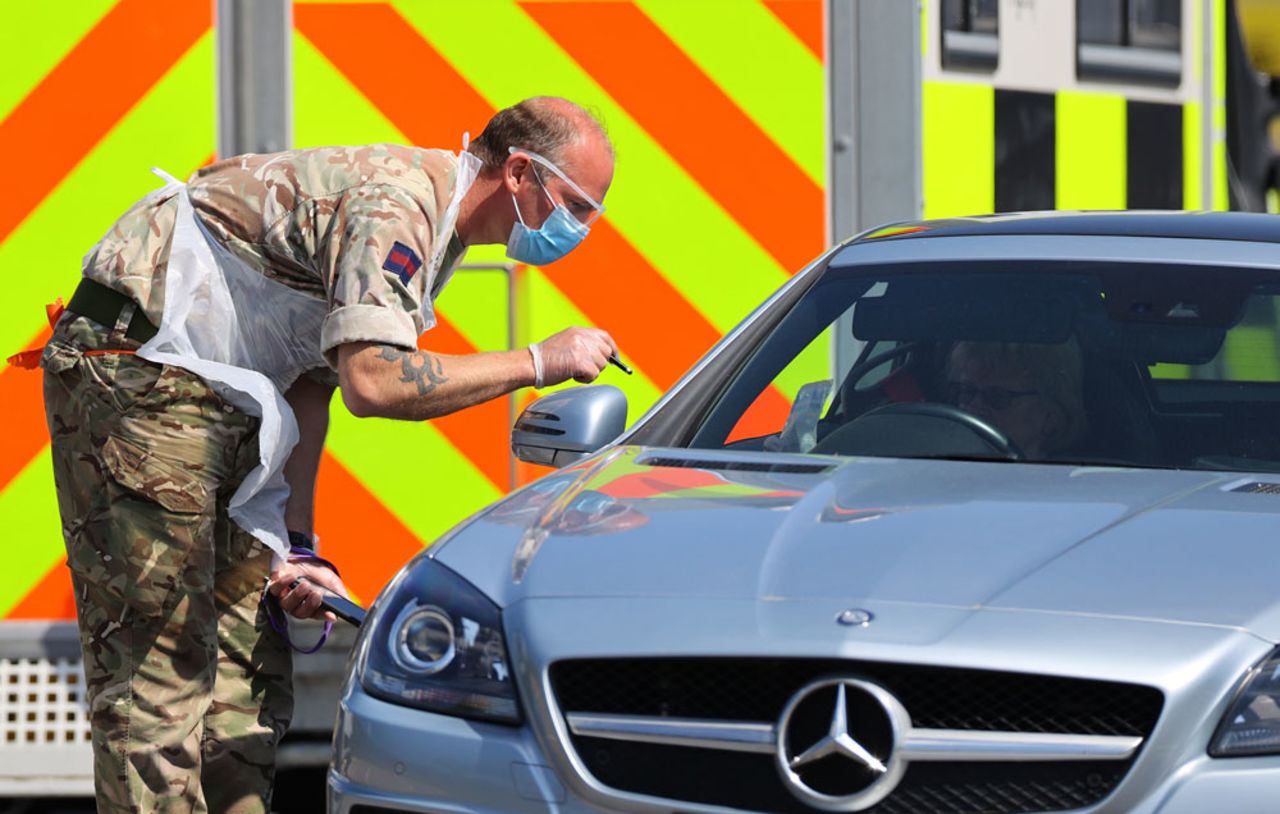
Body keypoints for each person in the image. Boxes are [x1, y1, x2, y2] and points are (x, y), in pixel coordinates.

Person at [38, 96, 616, 813]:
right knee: (162, 668)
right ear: (522, 173)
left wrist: (297, 544)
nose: (583, 229)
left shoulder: (435, 231)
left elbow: (316, 383)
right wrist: (536, 360)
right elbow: (373, 380)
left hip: (218, 391)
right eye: (578, 205)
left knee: (245, 674)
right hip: (141, 371)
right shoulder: (399, 204)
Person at [943, 339, 1088, 458]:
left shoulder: (1070, 491)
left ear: (1051, 415)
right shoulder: (931, 475)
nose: (973, 407)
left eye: (997, 396)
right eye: (966, 391)